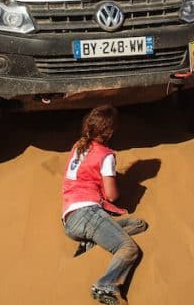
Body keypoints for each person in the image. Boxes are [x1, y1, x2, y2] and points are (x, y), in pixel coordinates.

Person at [62, 105, 148, 305]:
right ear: (110, 131)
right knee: (128, 248)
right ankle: (106, 285)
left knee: (138, 224)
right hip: (88, 213)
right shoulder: (106, 155)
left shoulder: (78, 146)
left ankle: (90, 242)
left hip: (70, 219)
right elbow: (111, 196)